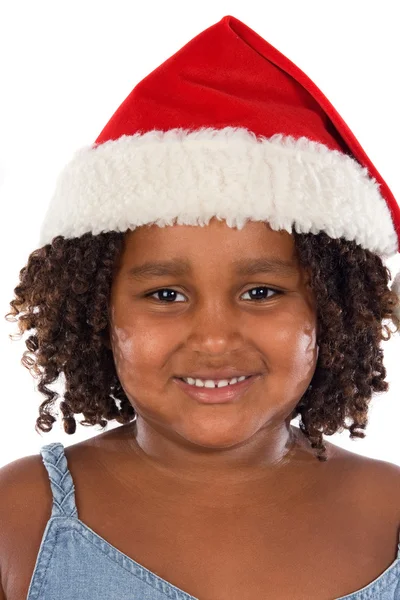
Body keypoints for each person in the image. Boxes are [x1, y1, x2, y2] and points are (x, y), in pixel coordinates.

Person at [1, 14, 400, 600]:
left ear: (332, 312)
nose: (214, 339)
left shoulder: (390, 514)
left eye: (261, 293)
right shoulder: (22, 517)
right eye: (165, 295)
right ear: (97, 314)